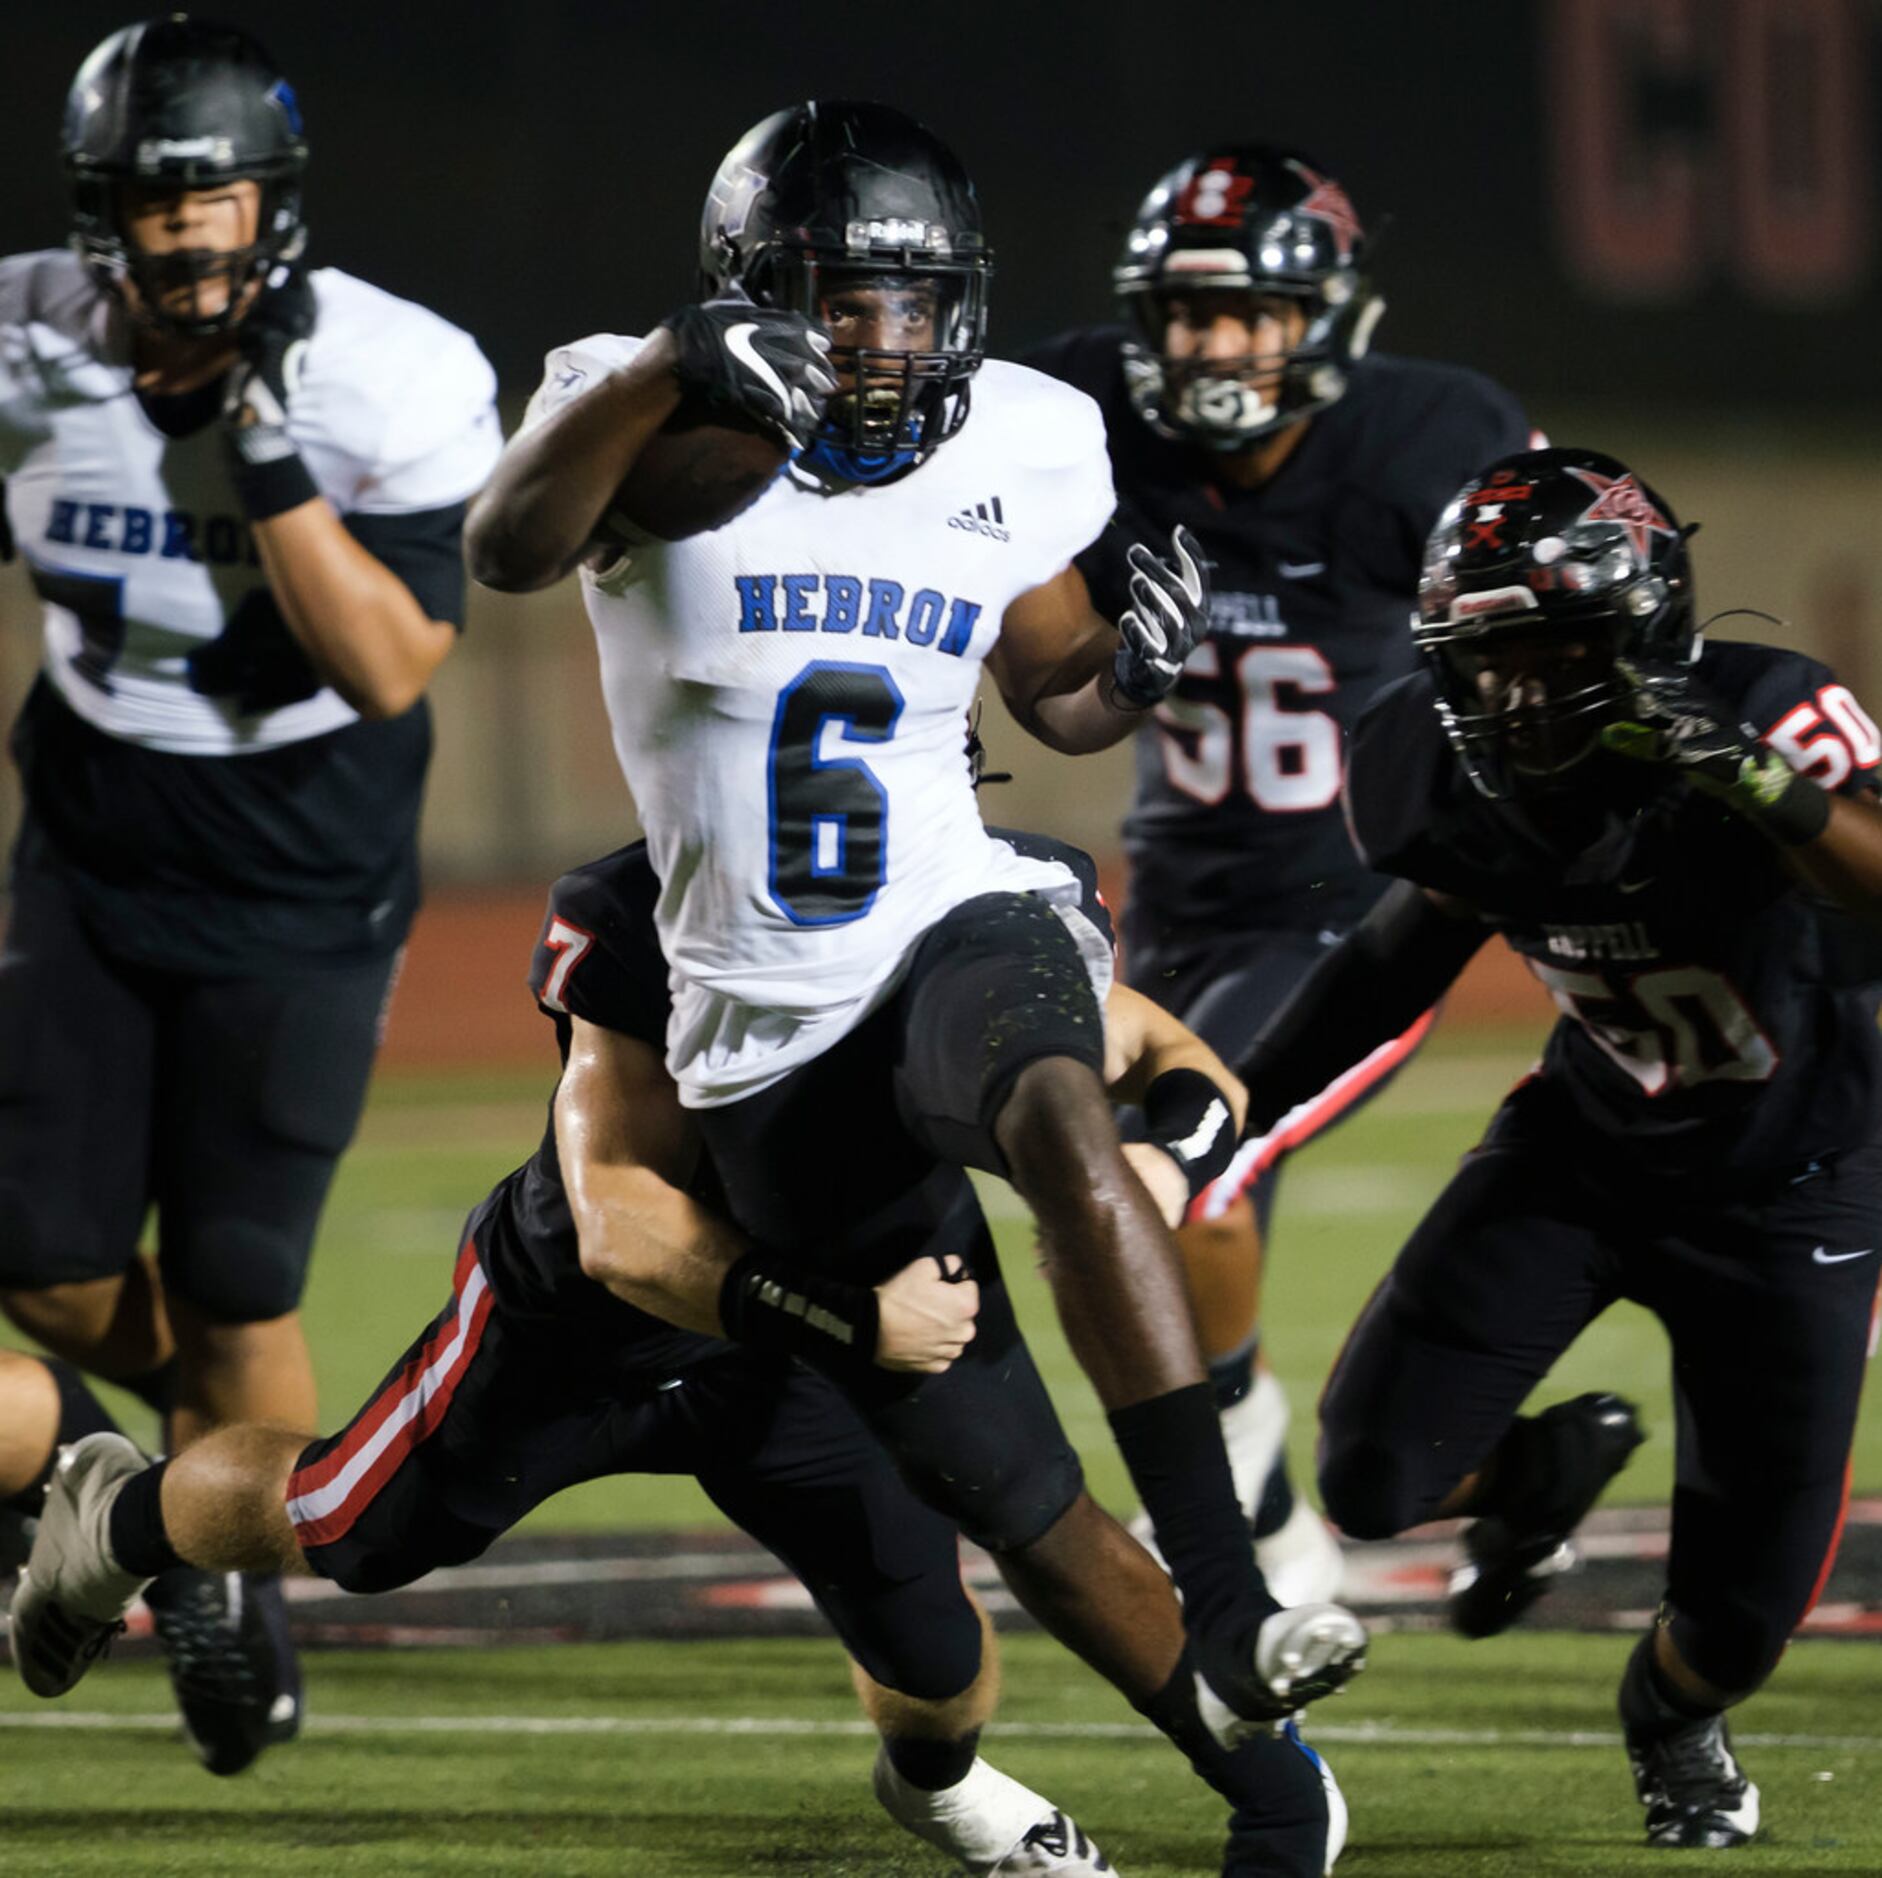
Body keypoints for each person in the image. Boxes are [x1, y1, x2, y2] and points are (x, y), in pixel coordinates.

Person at [464, 101, 1364, 1877]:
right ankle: (1260, 1762)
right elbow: (507, 543)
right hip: (769, 1036)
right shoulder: (643, 407)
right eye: (841, 298)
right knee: (1015, 1502)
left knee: (1055, 1107)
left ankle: (1239, 1595)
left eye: (913, 299)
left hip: (955, 919)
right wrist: (663, 368)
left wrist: (1135, 664)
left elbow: (1058, 692)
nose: (885, 338)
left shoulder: (1026, 432)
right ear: (750, 292)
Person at [15, 827, 1253, 1876]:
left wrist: (1159, 1157)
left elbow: (1166, 1052)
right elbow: (623, 1233)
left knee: (930, 1644)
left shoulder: (985, 893)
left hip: (796, 1365)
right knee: (353, 1525)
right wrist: (858, 1322)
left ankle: (940, 1789)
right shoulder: (645, 908)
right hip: (577, 1334)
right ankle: (115, 1520)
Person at [1224, 445, 1882, 1851]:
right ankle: (1536, 1477)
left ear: (1640, 623)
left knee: (1736, 1619)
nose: (1521, 689)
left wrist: (1760, 788)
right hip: (1583, 1153)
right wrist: (1227, 1103)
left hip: (1792, 1184)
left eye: (1557, 645)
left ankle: (1668, 1716)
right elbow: (1396, 954)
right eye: (1490, 654)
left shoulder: (1766, 714)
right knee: (1369, 1476)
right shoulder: (1428, 759)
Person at [0, 15, 500, 1771]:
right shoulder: (23, 341)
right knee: (43, 1259)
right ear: (101, 218)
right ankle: (140, 1481)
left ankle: (229, 1579)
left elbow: (389, 659)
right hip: (93, 823)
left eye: (218, 196)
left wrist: (260, 452)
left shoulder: (393, 370)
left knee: (234, 1283)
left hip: (301, 852)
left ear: (275, 204)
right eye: (155, 202)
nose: (190, 233)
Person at [1026, 146, 1536, 1600]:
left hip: (1344, 909)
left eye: (1247, 311)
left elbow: (1559, 553)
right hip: (1167, 906)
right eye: (1186, 314)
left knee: (1188, 1183)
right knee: (1101, 1191)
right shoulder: (1081, 414)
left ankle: (1248, 1509)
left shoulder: (1425, 438)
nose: (1212, 344)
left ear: (1322, 316)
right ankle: (1512, 1474)